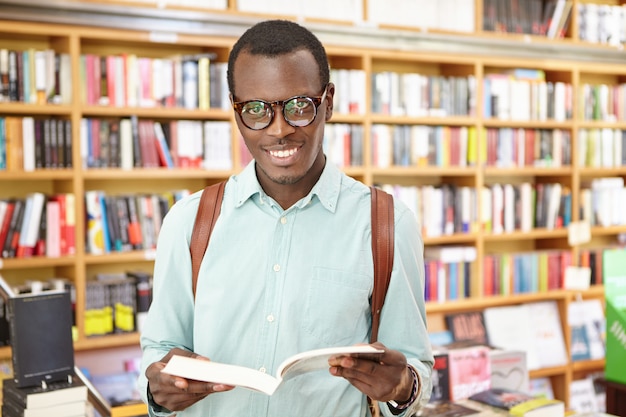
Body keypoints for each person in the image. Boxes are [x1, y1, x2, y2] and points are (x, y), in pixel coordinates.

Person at [138, 19, 433, 417]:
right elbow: (159, 351)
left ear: (328, 101)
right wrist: (157, 390)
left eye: (299, 107)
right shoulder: (188, 222)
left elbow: (414, 367)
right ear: (236, 110)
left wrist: (402, 386)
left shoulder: (386, 224)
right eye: (256, 110)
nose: (279, 131)